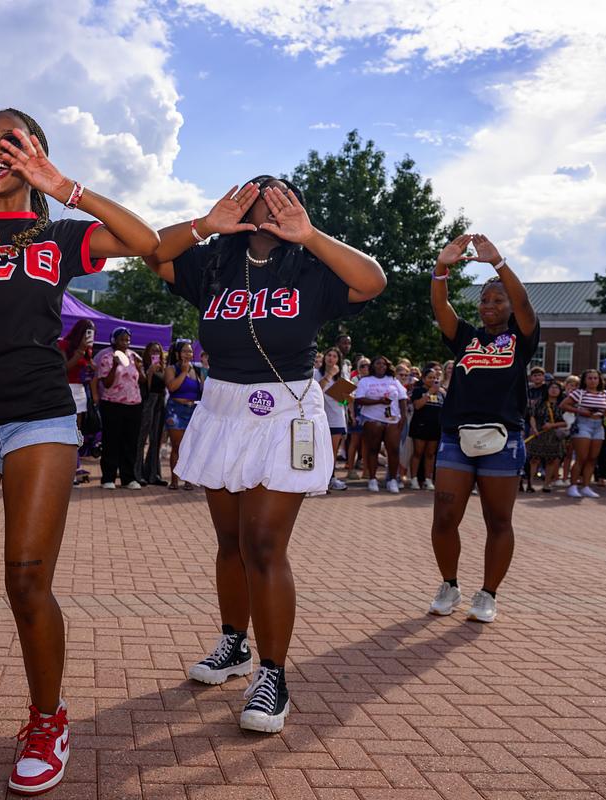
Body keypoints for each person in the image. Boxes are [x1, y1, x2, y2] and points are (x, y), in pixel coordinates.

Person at [0, 107, 157, 795]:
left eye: (13, 141)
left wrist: (64, 183)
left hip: (40, 420)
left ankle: (48, 718)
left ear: (36, 151)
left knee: (25, 584)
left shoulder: (62, 234)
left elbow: (146, 239)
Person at [145, 176, 385, 733]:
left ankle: (273, 673)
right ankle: (235, 645)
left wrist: (312, 235)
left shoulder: (311, 270)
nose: (267, 203)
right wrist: (206, 225)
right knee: (230, 541)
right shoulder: (212, 266)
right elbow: (153, 251)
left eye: (281, 196)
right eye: (256, 194)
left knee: (263, 543)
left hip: (286, 414)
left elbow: (373, 282)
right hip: (223, 408)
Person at [426, 233, 539, 625]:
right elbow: (440, 306)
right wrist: (442, 269)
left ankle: (488, 594)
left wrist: (498, 264)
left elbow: (524, 303)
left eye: (497, 299)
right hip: (457, 436)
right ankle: (449, 584)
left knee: (498, 520)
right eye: (485, 300)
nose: (489, 305)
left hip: (502, 438)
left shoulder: (521, 338)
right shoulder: (466, 337)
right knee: (444, 517)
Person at [94, 327, 146, 489]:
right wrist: (115, 366)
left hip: (133, 404)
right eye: (122, 339)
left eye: (128, 339)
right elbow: (106, 383)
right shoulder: (107, 357)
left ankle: (128, 478)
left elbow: (143, 381)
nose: (125, 342)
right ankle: (108, 478)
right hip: (112, 404)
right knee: (111, 441)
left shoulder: (134, 356)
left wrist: (139, 367)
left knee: (130, 442)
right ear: (114, 340)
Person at [560, 369, 606, 498]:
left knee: (592, 458)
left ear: (599, 380)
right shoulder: (578, 393)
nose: (593, 381)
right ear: (584, 380)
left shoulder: (603, 394)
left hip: (599, 425)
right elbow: (563, 405)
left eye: (595, 378)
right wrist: (581, 411)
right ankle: (573, 485)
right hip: (583, 423)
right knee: (581, 457)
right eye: (590, 378)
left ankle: (586, 486)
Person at [354, 356, 407, 493]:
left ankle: (393, 480)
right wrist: (378, 402)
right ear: (373, 366)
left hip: (393, 419)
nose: (381, 366)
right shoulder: (365, 381)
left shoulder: (393, 380)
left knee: (393, 450)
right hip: (372, 418)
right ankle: (372, 478)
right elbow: (359, 399)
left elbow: (402, 399)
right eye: (378, 363)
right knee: (373, 449)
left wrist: (403, 417)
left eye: (384, 364)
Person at [59, 319, 96, 485]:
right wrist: (80, 351)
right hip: (66, 389)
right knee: (65, 430)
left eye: (92, 332)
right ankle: (65, 469)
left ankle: (74, 467)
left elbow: (86, 369)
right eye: (88, 331)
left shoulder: (88, 349)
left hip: (81, 390)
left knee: (76, 431)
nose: (90, 335)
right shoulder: (64, 344)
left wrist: (91, 366)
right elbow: (64, 368)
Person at [163, 339, 203, 490]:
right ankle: (174, 480)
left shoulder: (197, 370)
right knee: (177, 446)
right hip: (176, 410)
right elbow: (172, 387)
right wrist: (184, 372)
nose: (188, 354)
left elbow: (202, 391)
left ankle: (188, 479)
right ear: (178, 353)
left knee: (191, 447)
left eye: (190, 351)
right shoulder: (172, 369)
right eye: (185, 351)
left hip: (193, 411)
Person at [135, 340, 168, 486]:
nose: (156, 354)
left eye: (158, 351)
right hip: (147, 402)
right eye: (153, 351)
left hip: (160, 403)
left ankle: (154, 474)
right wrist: (149, 373)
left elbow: (166, 388)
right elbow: (145, 388)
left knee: (156, 439)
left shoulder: (163, 368)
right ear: (147, 352)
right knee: (141, 439)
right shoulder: (143, 367)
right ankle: (137, 473)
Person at [316, 347, 348, 491]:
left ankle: (331, 478)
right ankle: (319, 479)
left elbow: (344, 401)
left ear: (338, 360)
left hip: (336, 417)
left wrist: (346, 398)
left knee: (333, 451)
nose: (331, 358)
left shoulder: (342, 377)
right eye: (329, 355)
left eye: (335, 356)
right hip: (320, 416)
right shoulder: (316, 373)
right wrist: (329, 374)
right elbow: (316, 390)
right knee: (319, 449)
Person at [526, 380, 567, 492]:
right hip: (539, 433)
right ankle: (530, 483)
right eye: (551, 387)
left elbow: (567, 422)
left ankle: (546, 484)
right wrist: (533, 428)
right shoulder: (540, 402)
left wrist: (552, 425)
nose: (554, 390)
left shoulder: (563, 404)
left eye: (556, 388)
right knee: (534, 459)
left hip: (554, 435)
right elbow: (532, 415)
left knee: (551, 460)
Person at [408, 366, 444, 490]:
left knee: (430, 454)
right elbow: (417, 405)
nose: (433, 380)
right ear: (423, 378)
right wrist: (429, 393)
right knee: (418, 452)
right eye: (430, 378)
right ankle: (414, 479)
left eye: (435, 378)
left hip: (435, 427)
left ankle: (428, 479)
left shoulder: (441, 392)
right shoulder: (418, 390)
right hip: (420, 426)